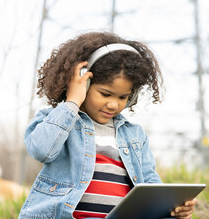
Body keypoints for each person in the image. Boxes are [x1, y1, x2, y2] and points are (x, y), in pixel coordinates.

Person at [18, 32, 197, 219]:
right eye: (105, 94)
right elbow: (41, 150)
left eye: (122, 97)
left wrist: (172, 208)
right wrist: (72, 102)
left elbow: (149, 185)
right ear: (84, 84)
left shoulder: (134, 135)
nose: (113, 104)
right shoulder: (57, 119)